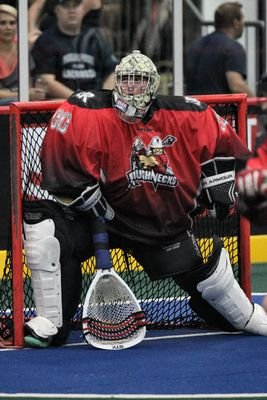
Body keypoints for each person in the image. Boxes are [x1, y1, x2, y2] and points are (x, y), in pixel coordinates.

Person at [23, 49, 267, 349]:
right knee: (45, 232)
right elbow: (58, 168)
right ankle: (51, 323)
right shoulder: (84, 110)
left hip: (157, 224)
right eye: (125, 80)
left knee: (221, 299)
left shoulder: (189, 113)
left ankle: (242, 315)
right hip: (101, 218)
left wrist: (218, 183)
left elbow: (227, 147)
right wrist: (83, 194)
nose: (130, 87)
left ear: (153, 84)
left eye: (139, 80)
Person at [30, 0, 117, 100]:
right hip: (62, 106)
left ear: (83, 9)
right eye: (66, 6)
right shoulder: (45, 40)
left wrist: (103, 99)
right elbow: (47, 81)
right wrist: (80, 100)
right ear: (56, 10)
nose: (71, 10)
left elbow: (111, 72)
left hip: (95, 104)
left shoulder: (95, 37)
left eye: (76, 5)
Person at [184, 1, 254, 96]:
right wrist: (257, 103)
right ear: (235, 23)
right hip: (219, 109)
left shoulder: (194, 46)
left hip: (193, 108)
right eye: (243, 19)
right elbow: (237, 86)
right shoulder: (233, 48)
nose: (244, 23)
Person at [0, 4, 46, 105]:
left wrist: (35, 93)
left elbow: (28, 86)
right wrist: (23, 95)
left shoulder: (23, 47)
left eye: (12, 23)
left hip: (21, 101)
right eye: (2, 23)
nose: (8, 27)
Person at [28, 0, 102, 47]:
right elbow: (36, 7)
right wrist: (32, 29)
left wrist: (42, 39)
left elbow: (68, 21)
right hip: (48, 35)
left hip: (77, 41)